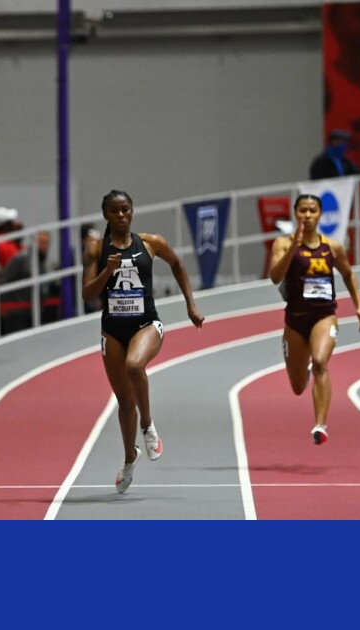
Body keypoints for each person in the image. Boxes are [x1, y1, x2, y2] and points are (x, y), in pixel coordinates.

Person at [82, 190, 205, 494]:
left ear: (133, 211)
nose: (121, 216)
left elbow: (177, 264)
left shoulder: (151, 243)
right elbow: (87, 294)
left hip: (146, 324)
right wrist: (107, 271)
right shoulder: (96, 249)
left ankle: (148, 426)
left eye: (125, 210)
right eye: (114, 211)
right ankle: (129, 459)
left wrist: (190, 304)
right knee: (125, 403)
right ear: (106, 215)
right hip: (112, 330)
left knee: (135, 366)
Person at [269, 194, 360, 445]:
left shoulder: (332, 247)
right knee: (297, 387)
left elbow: (349, 275)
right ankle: (304, 368)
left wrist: (359, 306)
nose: (307, 215)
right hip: (294, 320)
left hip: (324, 317)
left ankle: (320, 425)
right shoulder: (282, 244)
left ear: (319, 214)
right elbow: (275, 277)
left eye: (312, 210)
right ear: (296, 214)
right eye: (302, 210)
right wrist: (294, 246)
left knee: (319, 362)